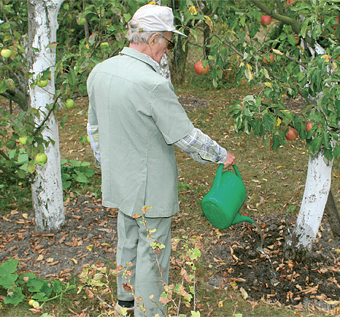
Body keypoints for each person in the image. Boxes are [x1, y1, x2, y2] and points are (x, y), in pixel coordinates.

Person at [86, 4, 236, 316]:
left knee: (127, 238)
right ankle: (149, 311)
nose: (167, 51)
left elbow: (94, 129)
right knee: (154, 252)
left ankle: (124, 303)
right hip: (150, 186)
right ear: (154, 39)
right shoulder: (151, 83)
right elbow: (185, 136)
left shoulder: (100, 71)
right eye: (169, 42)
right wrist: (221, 155)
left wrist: (108, 164)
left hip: (120, 180)